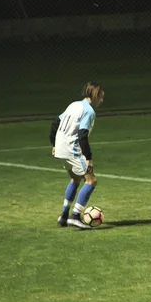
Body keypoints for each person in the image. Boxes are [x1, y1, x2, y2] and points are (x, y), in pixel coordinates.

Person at [49, 81, 105, 229]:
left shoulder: (74, 105)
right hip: (71, 149)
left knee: (75, 178)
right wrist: (88, 158)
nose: (102, 100)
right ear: (94, 95)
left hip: (61, 148)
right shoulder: (89, 111)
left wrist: (54, 144)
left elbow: (55, 122)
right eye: (101, 97)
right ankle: (75, 216)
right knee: (91, 180)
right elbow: (82, 135)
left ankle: (64, 216)